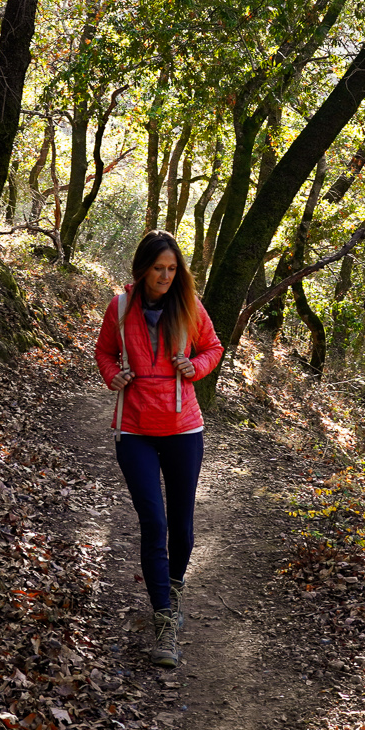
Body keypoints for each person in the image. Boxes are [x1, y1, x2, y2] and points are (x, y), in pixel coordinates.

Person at [94, 231, 223, 667]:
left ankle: (175, 585)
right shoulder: (120, 307)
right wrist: (113, 376)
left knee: (181, 523)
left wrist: (196, 366)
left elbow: (212, 347)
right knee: (153, 521)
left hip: (184, 429)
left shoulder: (189, 305)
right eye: (158, 269)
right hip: (134, 430)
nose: (165, 277)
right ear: (143, 268)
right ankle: (164, 618)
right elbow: (105, 352)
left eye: (172, 269)